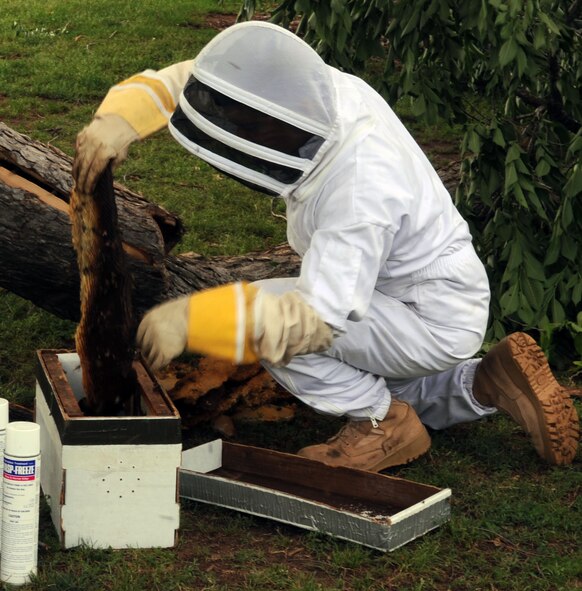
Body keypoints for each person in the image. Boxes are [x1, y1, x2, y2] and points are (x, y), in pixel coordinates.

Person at [73, 21, 579, 470]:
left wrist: (194, 320)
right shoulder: (324, 92)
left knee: (268, 324)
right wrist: (122, 115)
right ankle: (485, 382)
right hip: (422, 291)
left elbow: (313, 322)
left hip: (427, 316)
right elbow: (217, 79)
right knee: (385, 374)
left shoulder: (360, 189)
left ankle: (379, 426)